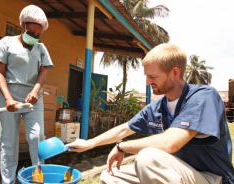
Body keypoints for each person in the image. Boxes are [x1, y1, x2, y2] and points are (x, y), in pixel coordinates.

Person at [67, 43, 234, 184]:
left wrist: (121, 146)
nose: (147, 82)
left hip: (209, 177)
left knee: (147, 158)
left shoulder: (203, 97)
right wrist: (89, 144)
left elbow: (170, 143)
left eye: (152, 76)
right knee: (111, 177)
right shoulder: (156, 107)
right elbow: (124, 129)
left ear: (174, 73)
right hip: (173, 172)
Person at [0, 5, 53, 184]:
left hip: (33, 100)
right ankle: (8, 181)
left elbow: (43, 72)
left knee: (37, 137)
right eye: (31, 32)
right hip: (9, 99)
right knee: (9, 142)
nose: (34, 37)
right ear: (22, 25)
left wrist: (35, 91)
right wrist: (8, 98)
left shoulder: (41, 48)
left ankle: (38, 179)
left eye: (38, 34)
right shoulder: (6, 43)